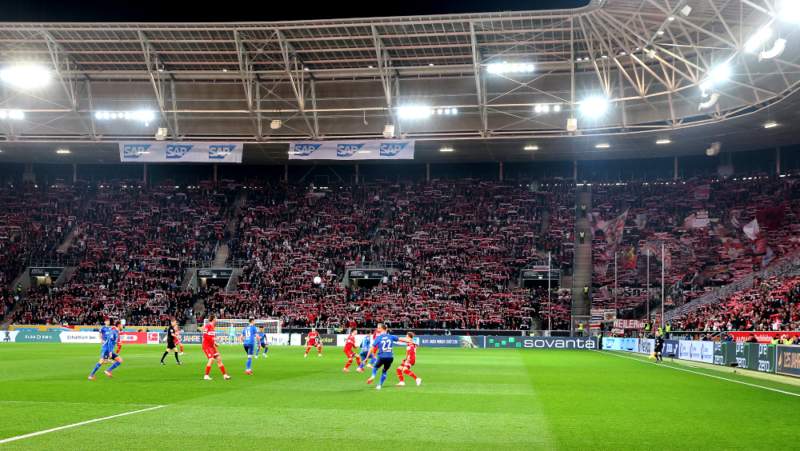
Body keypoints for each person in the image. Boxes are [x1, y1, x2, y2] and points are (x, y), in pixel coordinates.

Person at [363, 323, 415, 390]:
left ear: (381, 329)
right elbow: (402, 340)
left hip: (381, 356)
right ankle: (379, 385)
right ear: (386, 329)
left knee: (375, 368)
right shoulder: (391, 336)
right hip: (390, 357)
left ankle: (373, 376)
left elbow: (371, 349)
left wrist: (366, 358)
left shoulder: (378, 338)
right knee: (384, 371)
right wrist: (412, 342)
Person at [202, 315, 231, 380]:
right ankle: (206, 376)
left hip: (211, 346)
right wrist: (214, 339)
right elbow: (204, 336)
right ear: (213, 319)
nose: (216, 319)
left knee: (219, 359)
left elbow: (211, 338)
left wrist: (215, 343)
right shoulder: (207, 326)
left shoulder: (213, 327)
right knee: (211, 359)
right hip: (206, 345)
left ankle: (225, 375)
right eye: (216, 318)